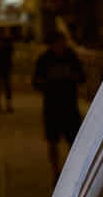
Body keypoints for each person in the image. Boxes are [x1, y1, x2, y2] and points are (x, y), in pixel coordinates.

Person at [32, 30, 85, 179]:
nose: (61, 45)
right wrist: (48, 81)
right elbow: (36, 81)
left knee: (74, 142)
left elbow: (82, 77)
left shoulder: (71, 56)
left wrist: (70, 76)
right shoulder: (44, 59)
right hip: (52, 106)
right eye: (58, 42)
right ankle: (56, 172)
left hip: (70, 106)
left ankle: (73, 172)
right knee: (53, 142)